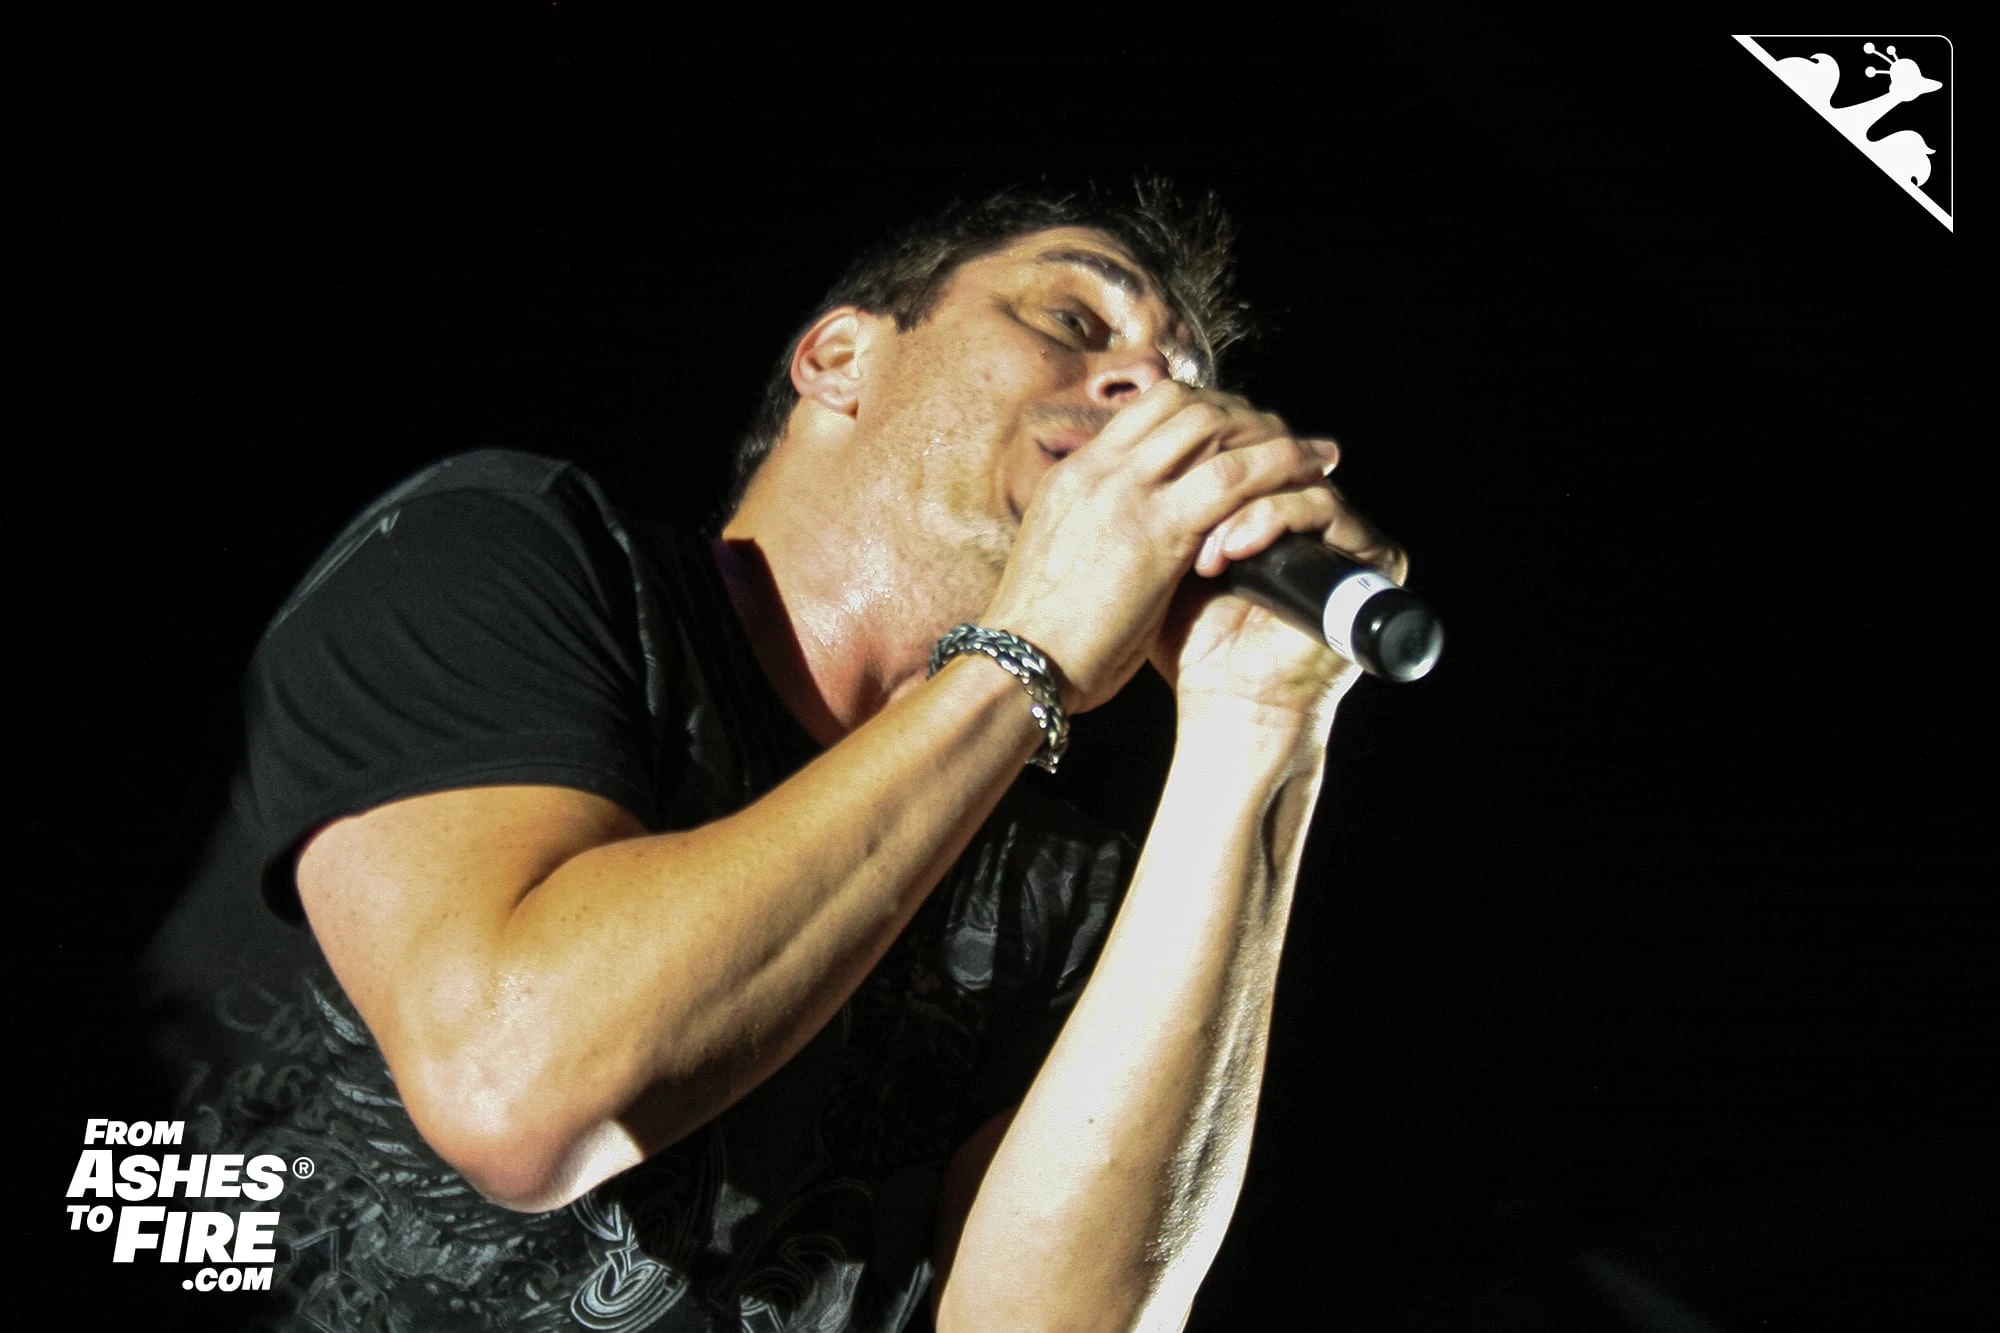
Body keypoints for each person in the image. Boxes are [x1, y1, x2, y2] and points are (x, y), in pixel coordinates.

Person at [133, 180, 1409, 1331]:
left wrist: (1257, 728)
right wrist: (1027, 653)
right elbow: (519, 1093)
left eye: (1183, 380)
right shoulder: (518, 557)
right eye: (1075, 321)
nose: (1156, 397)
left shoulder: (1060, 887)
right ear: (838, 358)